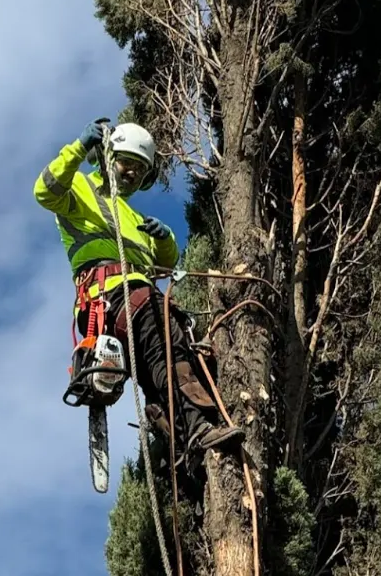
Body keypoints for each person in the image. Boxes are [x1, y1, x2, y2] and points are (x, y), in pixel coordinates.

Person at [33, 118, 245, 462]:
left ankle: (176, 444)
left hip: (136, 298)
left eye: (139, 169)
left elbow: (164, 264)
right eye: (126, 163)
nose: (131, 173)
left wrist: (165, 238)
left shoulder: (134, 217)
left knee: (164, 363)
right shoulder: (81, 192)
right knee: (167, 349)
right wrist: (79, 146)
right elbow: (45, 190)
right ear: (107, 158)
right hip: (111, 299)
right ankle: (198, 428)